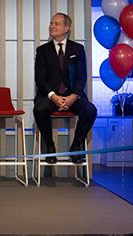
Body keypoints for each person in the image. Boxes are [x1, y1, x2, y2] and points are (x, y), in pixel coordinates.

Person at [33, 13, 97, 164]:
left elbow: (82, 77)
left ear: (66, 28)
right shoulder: (42, 50)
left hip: (73, 96)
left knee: (90, 110)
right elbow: (39, 79)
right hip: (49, 95)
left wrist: (73, 96)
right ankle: (49, 146)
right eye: (51, 23)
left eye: (56, 24)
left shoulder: (78, 49)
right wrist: (53, 96)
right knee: (39, 109)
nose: (52, 26)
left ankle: (75, 147)